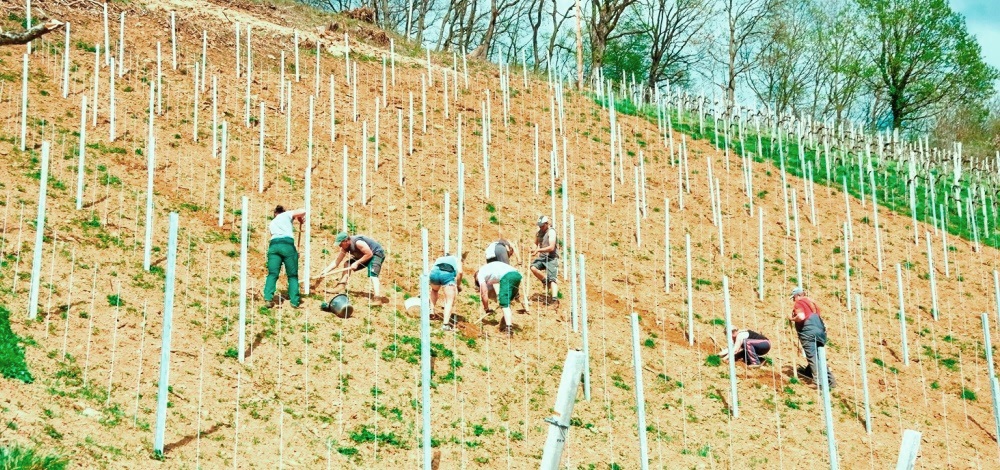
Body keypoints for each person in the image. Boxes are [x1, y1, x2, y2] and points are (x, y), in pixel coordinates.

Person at [790, 287, 836, 388]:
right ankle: (830, 380)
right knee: (820, 357)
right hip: (821, 332)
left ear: (798, 295)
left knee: (812, 357)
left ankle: (818, 381)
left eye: (793, 297)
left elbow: (801, 316)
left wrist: (792, 319)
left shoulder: (799, 303)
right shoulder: (812, 303)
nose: (793, 300)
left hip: (808, 333)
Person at [318, 232, 386, 298]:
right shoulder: (344, 248)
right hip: (364, 256)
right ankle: (341, 286)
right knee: (347, 264)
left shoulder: (358, 242)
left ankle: (377, 297)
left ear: (346, 241)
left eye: (341, 244)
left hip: (376, 254)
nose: (340, 246)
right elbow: (337, 261)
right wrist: (325, 271)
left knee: (372, 274)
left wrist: (356, 263)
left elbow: (369, 254)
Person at [264, 205, 306, 309]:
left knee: (272, 274)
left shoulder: (272, 223)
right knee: (292, 275)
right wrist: (299, 218)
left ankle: (268, 298)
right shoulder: (286, 215)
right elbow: (303, 210)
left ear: (275, 214)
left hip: (273, 246)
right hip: (287, 245)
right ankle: (294, 301)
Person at [475, 261, 523, 334]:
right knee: (506, 303)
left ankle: (509, 330)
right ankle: (504, 324)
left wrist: (486, 309)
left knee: (504, 302)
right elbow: (489, 291)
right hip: (517, 275)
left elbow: (484, 293)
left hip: (508, 277)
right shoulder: (488, 271)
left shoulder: (480, 274)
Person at [429, 252, 462, 331]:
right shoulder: (456, 259)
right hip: (447, 275)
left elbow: (431, 268)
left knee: (434, 290)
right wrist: (458, 285)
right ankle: (445, 325)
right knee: (449, 300)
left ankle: (431, 312)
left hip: (434, 273)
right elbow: (460, 272)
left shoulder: (440, 259)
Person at [529, 215, 558, 301]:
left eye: (542, 225)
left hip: (551, 258)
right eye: (539, 226)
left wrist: (538, 250)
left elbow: (551, 247)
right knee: (533, 267)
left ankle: (554, 299)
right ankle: (545, 280)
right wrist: (533, 249)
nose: (540, 227)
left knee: (552, 279)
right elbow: (535, 243)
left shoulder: (551, 232)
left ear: (546, 224)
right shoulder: (539, 232)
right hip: (542, 257)